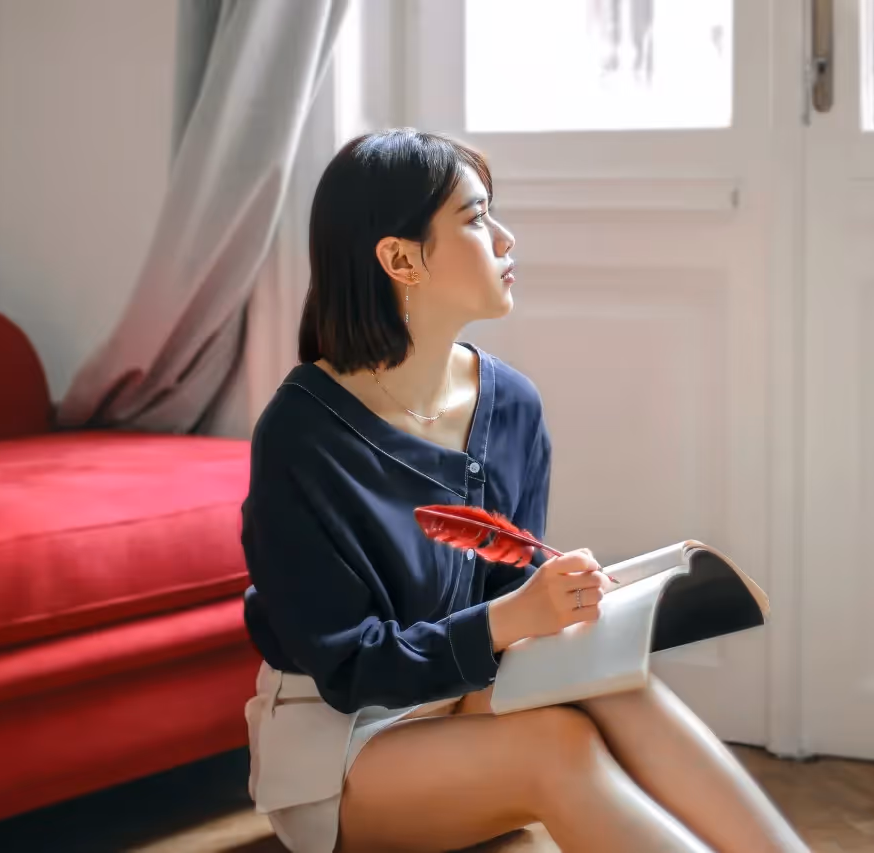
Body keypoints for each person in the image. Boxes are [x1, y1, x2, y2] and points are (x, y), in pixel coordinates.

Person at [240, 128, 809, 853]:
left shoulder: (509, 403)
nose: (505, 238)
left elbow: (503, 592)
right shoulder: (301, 434)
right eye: (476, 219)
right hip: (344, 743)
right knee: (556, 748)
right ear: (400, 258)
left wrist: (562, 605)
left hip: (466, 699)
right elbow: (351, 668)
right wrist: (512, 620)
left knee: (616, 683)